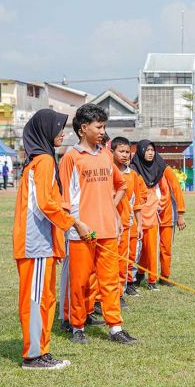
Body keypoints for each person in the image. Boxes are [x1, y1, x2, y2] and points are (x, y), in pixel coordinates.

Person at [13, 109, 91, 369]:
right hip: (35, 245)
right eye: (59, 129)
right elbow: (46, 204)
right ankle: (33, 356)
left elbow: (47, 200)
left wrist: (64, 206)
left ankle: (42, 351)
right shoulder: (44, 160)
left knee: (46, 298)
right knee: (36, 300)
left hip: (43, 245)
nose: (63, 134)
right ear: (45, 130)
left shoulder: (41, 160)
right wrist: (75, 222)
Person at [59, 103, 137, 345]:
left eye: (104, 127)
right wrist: (77, 224)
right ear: (83, 128)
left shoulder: (105, 155)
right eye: (99, 126)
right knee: (80, 283)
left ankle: (115, 327)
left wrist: (110, 211)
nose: (103, 131)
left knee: (110, 280)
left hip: (108, 231)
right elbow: (65, 199)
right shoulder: (71, 158)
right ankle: (77, 326)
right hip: (82, 233)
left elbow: (120, 184)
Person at [131, 139, 187, 289]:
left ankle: (165, 276)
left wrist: (180, 212)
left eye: (152, 150)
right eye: (147, 150)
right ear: (141, 151)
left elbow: (176, 188)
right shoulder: (135, 169)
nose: (150, 153)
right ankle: (142, 274)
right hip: (147, 212)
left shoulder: (162, 166)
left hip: (166, 211)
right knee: (146, 246)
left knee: (166, 247)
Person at [111, 137, 147, 300]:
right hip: (109, 223)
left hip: (126, 225)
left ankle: (120, 291)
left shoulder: (132, 175)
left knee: (124, 260)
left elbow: (137, 202)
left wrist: (139, 224)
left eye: (128, 152)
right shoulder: (108, 172)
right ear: (112, 152)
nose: (125, 155)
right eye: (121, 151)